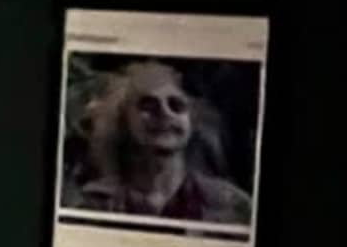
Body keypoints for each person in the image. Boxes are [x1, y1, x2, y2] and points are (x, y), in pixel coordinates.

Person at [71, 61, 255, 225]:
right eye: (148, 105)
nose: (165, 113)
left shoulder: (232, 206)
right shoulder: (91, 207)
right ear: (122, 121)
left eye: (176, 105)